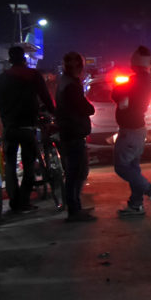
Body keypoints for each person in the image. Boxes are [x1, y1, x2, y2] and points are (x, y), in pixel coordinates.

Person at [0, 46, 55, 214]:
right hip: (27, 126)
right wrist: (54, 113)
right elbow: (45, 97)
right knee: (29, 164)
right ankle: (24, 200)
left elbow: (0, 103)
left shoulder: (2, 78)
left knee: (10, 166)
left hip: (9, 127)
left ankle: (14, 201)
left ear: (9, 59)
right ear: (24, 59)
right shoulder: (33, 75)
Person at [112, 46, 151, 217]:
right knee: (133, 168)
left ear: (135, 63)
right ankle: (136, 205)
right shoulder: (145, 80)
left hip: (131, 130)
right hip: (137, 129)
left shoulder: (137, 80)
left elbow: (115, 93)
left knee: (122, 167)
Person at [56, 52, 96, 222]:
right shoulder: (71, 85)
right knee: (77, 172)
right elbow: (86, 108)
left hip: (68, 132)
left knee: (75, 172)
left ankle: (75, 207)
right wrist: (89, 108)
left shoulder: (64, 83)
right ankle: (74, 210)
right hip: (73, 133)